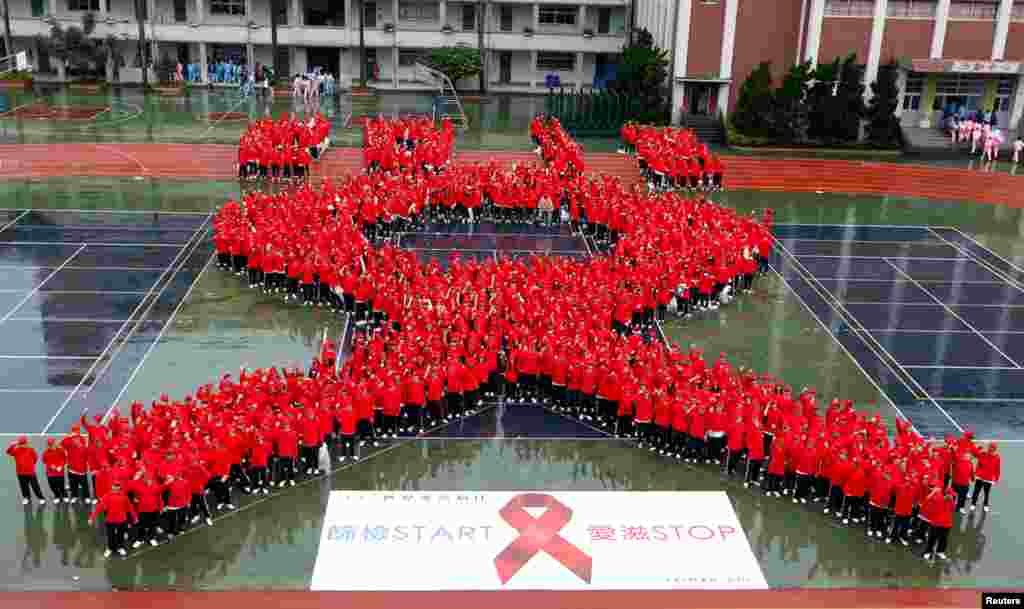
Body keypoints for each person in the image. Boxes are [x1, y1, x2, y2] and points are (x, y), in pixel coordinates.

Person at [88, 482, 138, 558]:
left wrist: (135, 518)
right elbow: (99, 507)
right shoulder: (106, 496)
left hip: (122, 520)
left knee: (120, 535)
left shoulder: (124, 496)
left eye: (118, 486)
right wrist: (92, 518)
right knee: (110, 536)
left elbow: (130, 508)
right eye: (115, 486)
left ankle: (120, 547)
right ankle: (110, 548)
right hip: (110, 521)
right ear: (112, 486)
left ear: (120, 487)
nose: (116, 488)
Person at [7, 437, 45, 506]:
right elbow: (8, 452)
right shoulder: (16, 450)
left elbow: (35, 458)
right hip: (20, 473)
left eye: (24, 443)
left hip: (31, 473)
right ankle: (26, 498)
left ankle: (41, 498)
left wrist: (30, 466)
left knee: (35, 486)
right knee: (24, 486)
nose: (23, 445)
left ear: (26, 443)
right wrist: (12, 445)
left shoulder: (31, 450)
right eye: (21, 444)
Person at [972, 442, 1000, 512]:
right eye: (990, 447)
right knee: (976, 492)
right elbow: (974, 454)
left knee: (986, 493)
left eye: (993, 448)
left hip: (988, 479)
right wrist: (978, 448)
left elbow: (997, 469)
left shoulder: (997, 458)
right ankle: (973, 504)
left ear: (995, 449)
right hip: (980, 477)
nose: (991, 449)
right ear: (988, 447)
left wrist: (996, 479)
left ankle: (985, 504)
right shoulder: (983, 454)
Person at [42, 439, 67, 503]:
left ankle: (64, 495)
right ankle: (57, 496)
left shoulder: (61, 450)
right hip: (50, 473)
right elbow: (44, 461)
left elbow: (64, 459)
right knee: (52, 486)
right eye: (50, 445)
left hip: (60, 473)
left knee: (61, 486)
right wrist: (51, 466)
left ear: (55, 444)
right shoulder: (46, 452)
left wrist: (61, 466)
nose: (52, 446)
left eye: (52, 444)